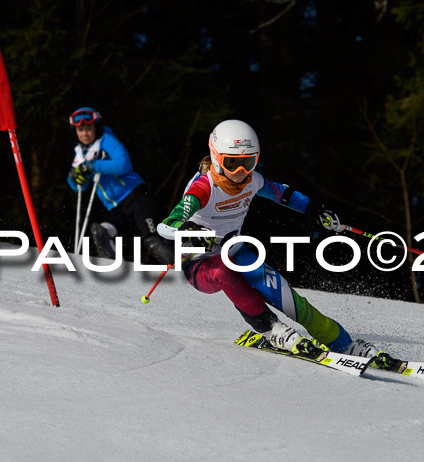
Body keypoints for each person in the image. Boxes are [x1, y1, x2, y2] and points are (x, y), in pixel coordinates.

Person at [157, 119, 401, 367]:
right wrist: (189, 230)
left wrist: (315, 210)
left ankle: (345, 344)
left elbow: (283, 194)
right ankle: (271, 330)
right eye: (233, 164)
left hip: (235, 252)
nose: (241, 172)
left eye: (248, 162)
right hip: (200, 265)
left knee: (286, 297)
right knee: (224, 271)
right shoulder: (203, 188)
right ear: (216, 157)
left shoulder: (253, 181)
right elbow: (166, 225)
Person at [66, 106, 173, 265]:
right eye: (80, 130)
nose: (85, 133)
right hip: (117, 207)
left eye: (88, 128)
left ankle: (182, 268)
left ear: (96, 127)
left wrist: (93, 165)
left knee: (154, 241)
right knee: (101, 231)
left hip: (135, 195)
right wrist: (75, 178)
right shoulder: (80, 153)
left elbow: (124, 164)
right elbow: (78, 187)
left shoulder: (106, 140)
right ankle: (113, 269)